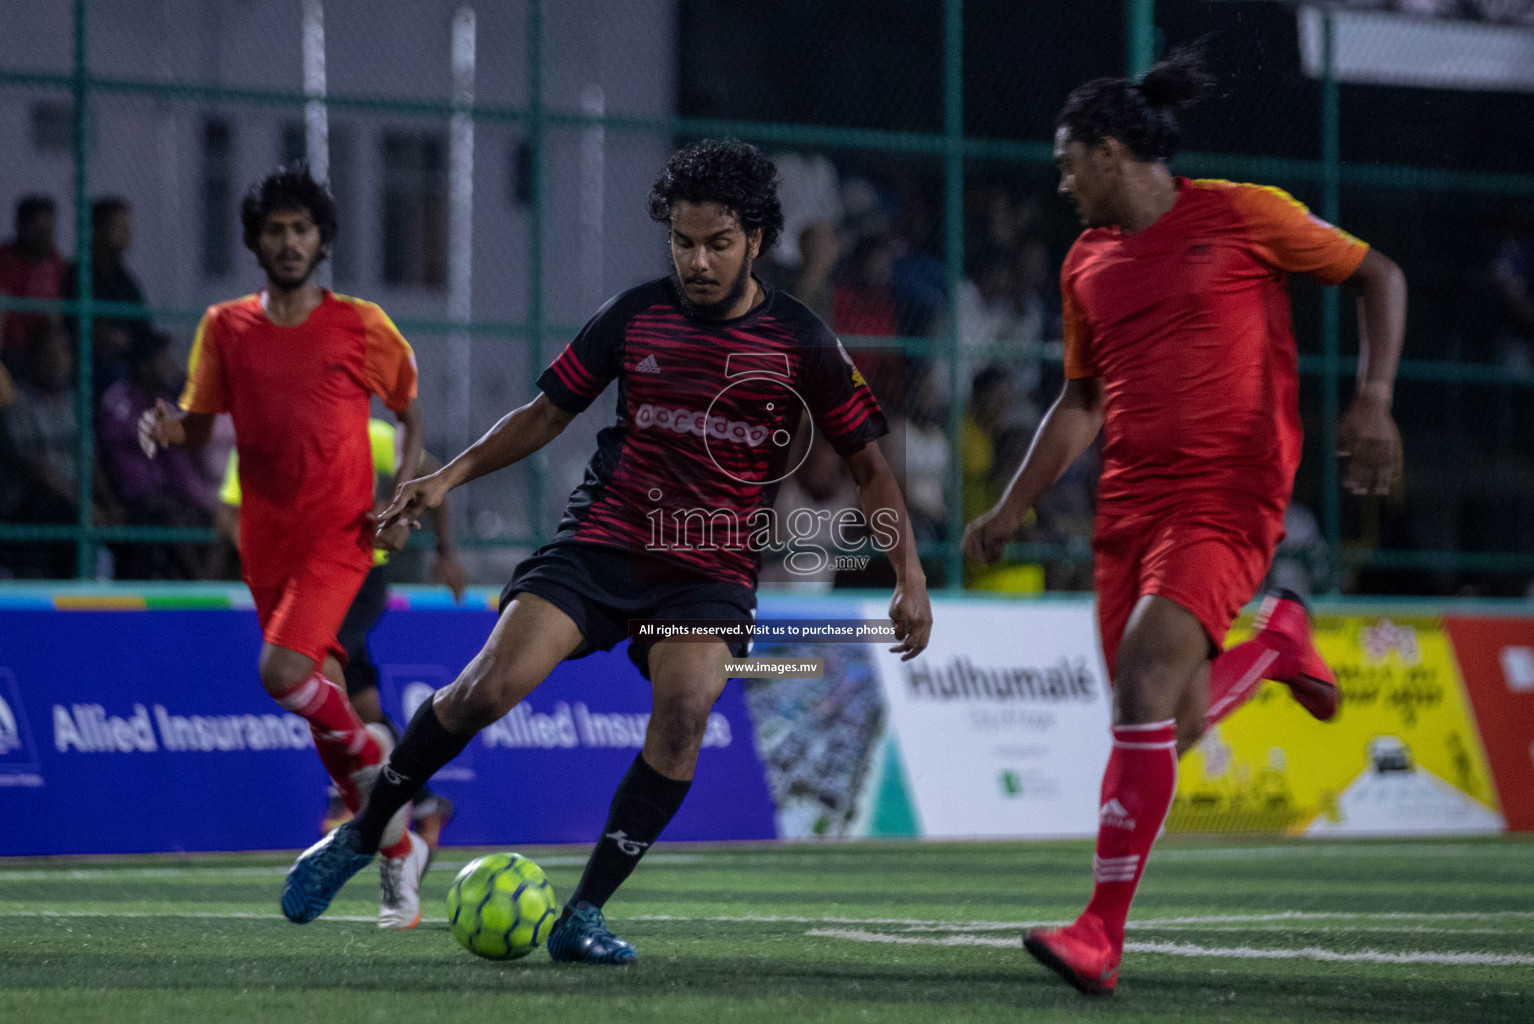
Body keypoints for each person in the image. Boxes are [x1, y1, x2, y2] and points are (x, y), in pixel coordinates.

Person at [281, 139, 933, 963]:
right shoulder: (636, 314)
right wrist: (447, 477)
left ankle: (582, 914)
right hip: (604, 539)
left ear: (758, 241)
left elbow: (873, 468)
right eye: (683, 242)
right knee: (486, 690)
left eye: (717, 244)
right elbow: (545, 412)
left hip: (709, 567)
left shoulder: (802, 341)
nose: (697, 261)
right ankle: (362, 837)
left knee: (687, 711)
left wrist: (907, 575)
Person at [963, 48, 1406, 996]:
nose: (1060, 180)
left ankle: (1099, 933)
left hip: (1230, 492)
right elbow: (1080, 402)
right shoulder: (1087, 264)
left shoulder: (1245, 213)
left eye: (1066, 160)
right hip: (1131, 506)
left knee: (1142, 685)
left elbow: (1381, 277)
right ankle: (1281, 642)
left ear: (1110, 149)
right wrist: (1013, 503)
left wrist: (1372, 398)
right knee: (1174, 718)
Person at [137, 164, 432, 929]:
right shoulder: (225, 327)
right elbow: (199, 423)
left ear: (322, 240)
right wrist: (165, 427)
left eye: (302, 229)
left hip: (341, 536)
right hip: (265, 542)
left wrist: (401, 498)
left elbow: (411, 419)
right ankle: (398, 854)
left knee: (281, 672)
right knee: (324, 710)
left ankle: (382, 787)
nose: (290, 241)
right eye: (276, 229)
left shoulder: (362, 324)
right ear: (256, 242)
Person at [217, 418, 467, 854]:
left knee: (315, 667)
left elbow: (433, 475)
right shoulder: (258, 433)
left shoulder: (367, 433)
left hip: (361, 576)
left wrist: (442, 551)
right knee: (365, 704)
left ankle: (347, 794)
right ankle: (426, 803)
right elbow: (227, 508)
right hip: (305, 585)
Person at [64, 198, 152, 395]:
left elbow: (144, 328)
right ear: (96, 230)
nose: (127, 233)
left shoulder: (125, 280)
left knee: (175, 377)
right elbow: (73, 323)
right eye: (119, 226)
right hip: (93, 359)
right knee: (116, 372)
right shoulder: (78, 274)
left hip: (130, 356)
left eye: (127, 226)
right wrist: (104, 335)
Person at [0, 196, 65, 367]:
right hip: (11, 348)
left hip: (41, 348)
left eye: (50, 231)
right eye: (40, 230)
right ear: (22, 227)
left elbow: (55, 316)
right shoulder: (6, 260)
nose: (47, 237)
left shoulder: (55, 262)